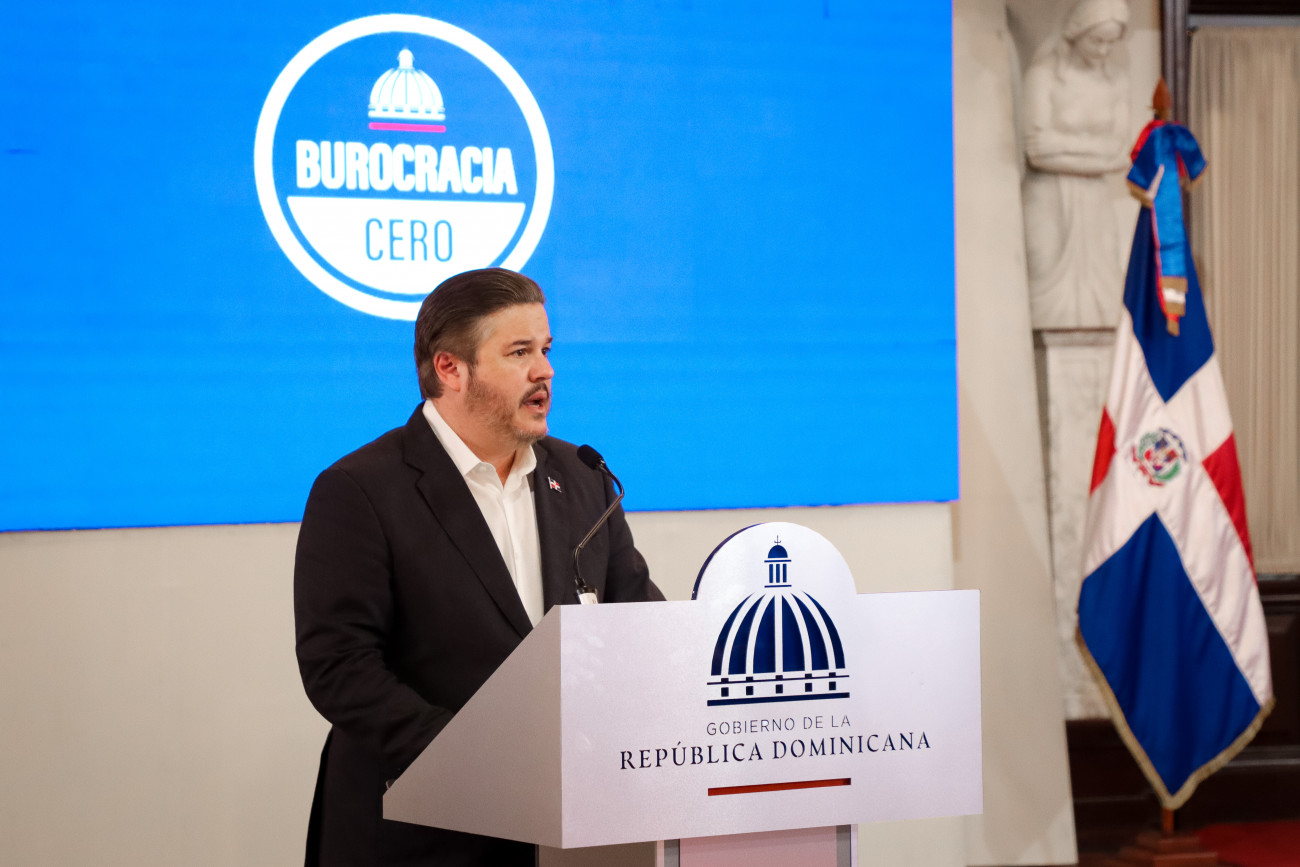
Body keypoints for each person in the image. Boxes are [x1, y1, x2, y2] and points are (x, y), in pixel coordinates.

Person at [294, 268, 662, 866]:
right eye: (519, 352)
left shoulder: (584, 477)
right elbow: (339, 666)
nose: (544, 371)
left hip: (562, 829)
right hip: (419, 832)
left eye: (546, 350)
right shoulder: (361, 490)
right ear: (450, 369)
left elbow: (639, 624)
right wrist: (473, 761)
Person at [1021, 0, 1131, 329]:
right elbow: (1037, 152)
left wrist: (1060, 143)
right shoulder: (1043, 77)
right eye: (1096, 40)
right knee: (1046, 289)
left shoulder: (1117, 82)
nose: (1103, 50)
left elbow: (1121, 153)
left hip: (1095, 201)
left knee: (1105, 296)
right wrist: (1096, 153)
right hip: (1049, 198)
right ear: (1076, 33)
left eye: (1111, 42)